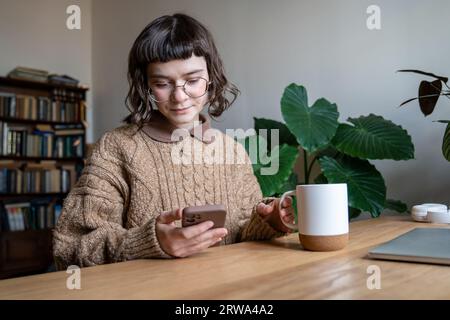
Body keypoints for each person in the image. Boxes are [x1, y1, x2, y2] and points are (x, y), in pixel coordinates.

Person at [53, 13, 294, 269]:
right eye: (162, 83)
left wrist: (271, 222)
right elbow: (69, 247)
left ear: (211, 77)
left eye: (192, 80)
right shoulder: (116, 148)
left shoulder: (231, 150)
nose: (179, 96)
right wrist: (149, 242)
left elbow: (244, 233)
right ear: (145, 86)